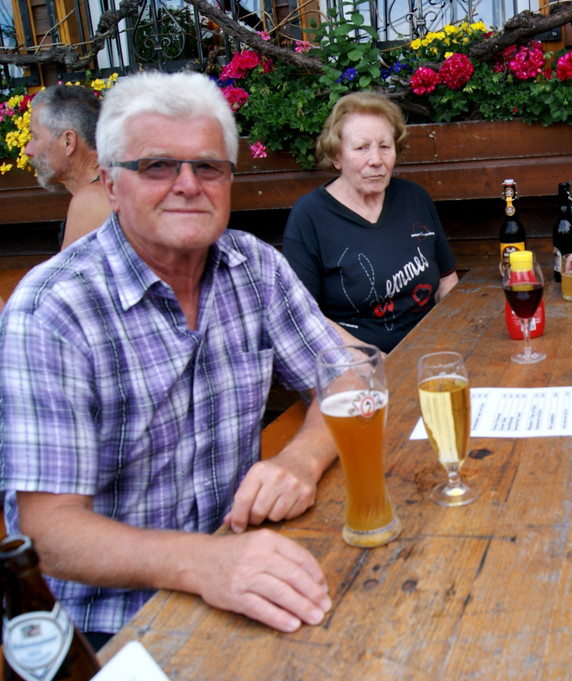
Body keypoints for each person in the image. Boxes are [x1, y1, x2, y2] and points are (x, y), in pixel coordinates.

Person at [0, 71, 345, 648]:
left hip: (237, 568)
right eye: (157, 166)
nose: (188, 184)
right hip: (105, 627)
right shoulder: (53, 310)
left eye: (208, 166)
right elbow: (48, 532)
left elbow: (346, 376)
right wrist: (204, 562)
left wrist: (301, 461)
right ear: (111, 184)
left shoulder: (254, 267)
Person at [283, 91, 459, 354]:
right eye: (361, 148)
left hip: (430, 349)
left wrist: (450, 338)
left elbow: (447, 281)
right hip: (355, 360)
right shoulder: (310, 216)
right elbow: (304, 316)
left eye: (385, 147)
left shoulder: (414, 198)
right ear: (336, 156)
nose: (376, 160)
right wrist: (374, 361)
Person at [24, 84, 112, 249]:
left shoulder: (93, 201)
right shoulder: (111, 187)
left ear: (68, 142)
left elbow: (68, 268)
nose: (27, 150)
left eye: (35, 137)